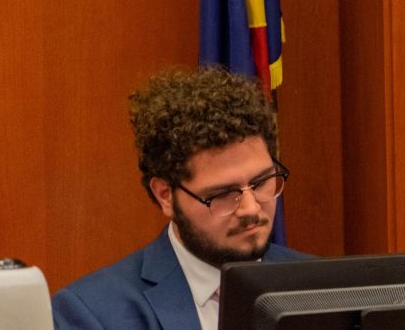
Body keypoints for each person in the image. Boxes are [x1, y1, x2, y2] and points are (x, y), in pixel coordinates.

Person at [53, 67, 309, 330]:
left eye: (261, 182)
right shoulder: (94, 314)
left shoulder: (319, 286)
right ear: (165, 195)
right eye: (222, 194)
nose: (250, 208)